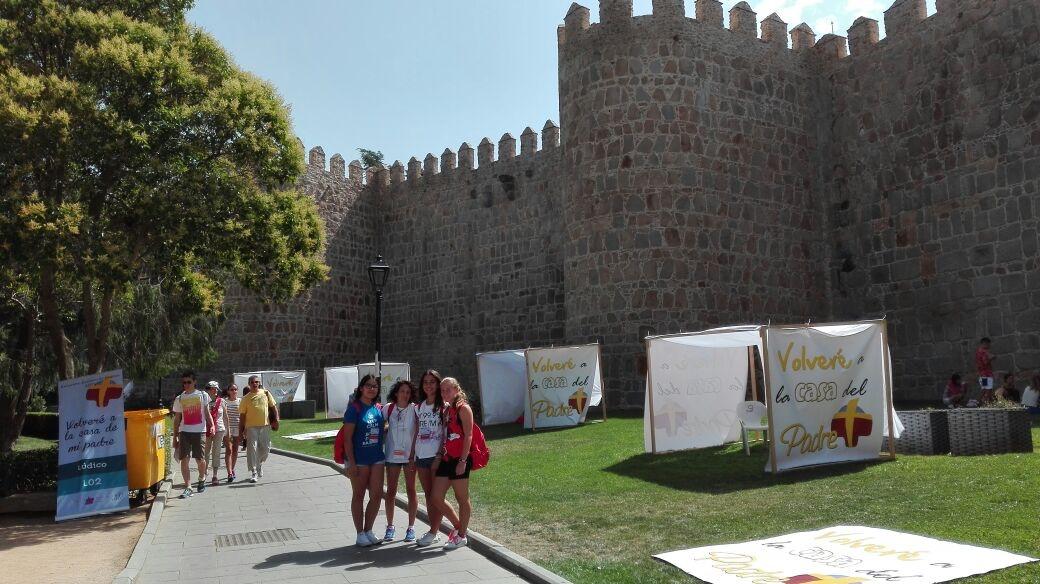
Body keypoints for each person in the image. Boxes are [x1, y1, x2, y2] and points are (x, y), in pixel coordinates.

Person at [429, 377, 474, 550]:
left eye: (448, 389)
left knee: (462, 497)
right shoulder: (447, 410)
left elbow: (468, 435)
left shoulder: (464, 408)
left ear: (456, 389)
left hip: (460, 459)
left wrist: (463, 461)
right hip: (447, 459)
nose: (444, 393)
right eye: (442, 390)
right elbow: (445, 434)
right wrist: (440, 454)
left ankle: (461, 536)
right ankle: (459, 526)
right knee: (436, 497)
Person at [342, 374, 385, 547]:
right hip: (359, 459)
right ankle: (359, 533)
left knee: (376, 495)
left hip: (377, 458)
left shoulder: (378, 408)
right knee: (358, 496)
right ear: (361, 388)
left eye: (375, 386)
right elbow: (347, 439)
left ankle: (368, 530)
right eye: (368, 385)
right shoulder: (354, 409)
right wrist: (351, 463)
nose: (372, 388)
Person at [381, 380, 419, 543]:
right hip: (392, 456)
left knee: (411, 490)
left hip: (409, 455)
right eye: (402, 391)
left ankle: (411, 527)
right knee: (391, 491)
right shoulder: (388, 408)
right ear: (396, 393)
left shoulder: (415, 409)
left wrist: (413, 454)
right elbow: (378, 425)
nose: (405, 394)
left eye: (408, 392)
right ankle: (390, 526)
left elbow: (418, 430)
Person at [414, 370, 445, 547]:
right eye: (426, 382)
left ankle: (434, 531)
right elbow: (417, 431)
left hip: (436, 456)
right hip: (421, 455)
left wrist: (439, 455)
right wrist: (413, 455)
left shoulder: (444, 407)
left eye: (432, 382)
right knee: (428, 495)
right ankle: (434, 530)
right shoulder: (419, 407)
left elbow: (445, 433)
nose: (429, 385)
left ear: (438, 384)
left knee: (436, 495)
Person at [172, 371, 215, 499]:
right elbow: (177, 418)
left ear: (194, 382)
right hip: (184, 431)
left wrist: (212, 425)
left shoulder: (203, 395)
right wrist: (175, 437)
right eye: (184, 382)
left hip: (199, 431)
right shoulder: (179, 398)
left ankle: (202, 478)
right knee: (184, 459)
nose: (186, 385)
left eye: (188, 382)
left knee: (200, 460)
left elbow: (207, 413)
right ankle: (188, 487)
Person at [237, 375, 279, 483]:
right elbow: (242, 417)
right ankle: (254, 471)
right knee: (252, 449)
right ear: (249, 384)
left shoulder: (265, 393)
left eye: (257, 382)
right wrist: (240, 432)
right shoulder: (245, 399)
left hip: (265, 426)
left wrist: (277, 420)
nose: (255, 384)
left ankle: (259, 463)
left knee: (266, 449)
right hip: (251, 427)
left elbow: (273, 407)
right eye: (252, 382)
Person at [204, 381, 229, 486]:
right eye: (212, 389)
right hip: (206, 429)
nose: (215, 391)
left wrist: (228, 431)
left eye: (216, 389)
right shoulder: (204, 401)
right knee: (205, 452)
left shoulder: (221, 401)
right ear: (208, 390)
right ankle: (204, 472)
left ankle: (215, 475)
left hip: (219, 429)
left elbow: (225, 417)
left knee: (216, 452)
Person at [224, 384, 242, 483]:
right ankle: (229, 472)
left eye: (235, 389)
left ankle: (232, 469)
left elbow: (243, 415)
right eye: (232, 389)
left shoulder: (240, 401)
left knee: (235, 450)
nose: (234, 391)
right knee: (229, 450)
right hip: (228, 429)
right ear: (228, 391)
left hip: (237, 429)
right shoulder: (225, 402)